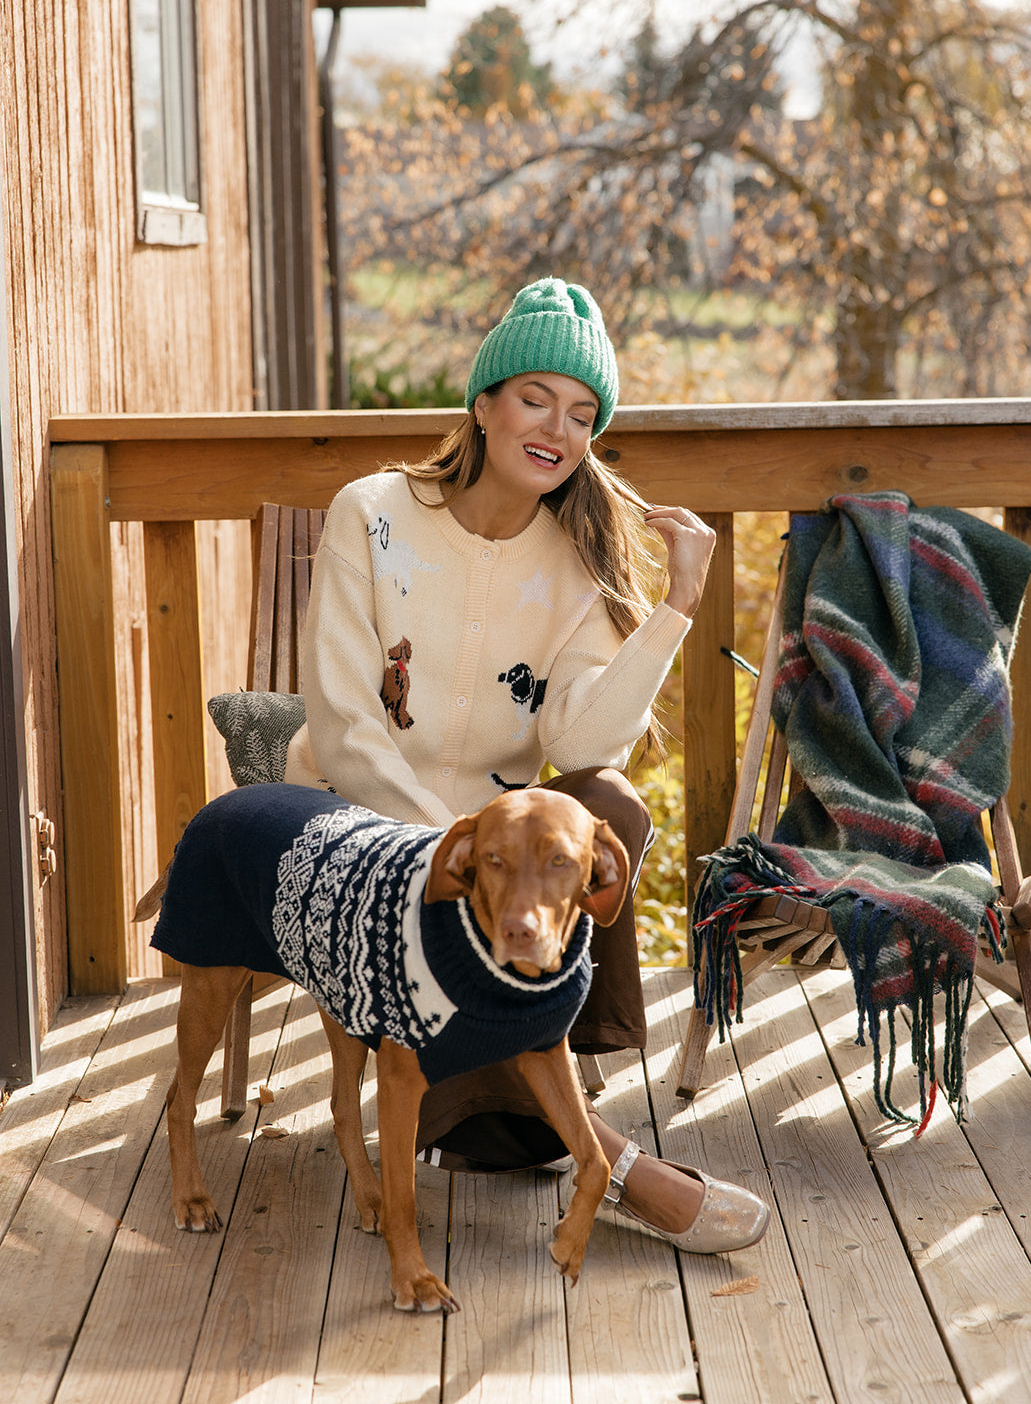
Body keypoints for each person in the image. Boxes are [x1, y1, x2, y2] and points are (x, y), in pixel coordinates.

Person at [286, 278, 769, 1254]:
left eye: (582, 414)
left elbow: (584, 747)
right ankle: (612, 1162)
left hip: (492, 845)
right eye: (535, 398)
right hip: (354, 817)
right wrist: (447, 848)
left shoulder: (572, 559)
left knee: (607, 805)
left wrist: (675, 605)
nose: (557, 427)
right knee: (464, 891)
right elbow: (342, 721)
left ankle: (516, 1103)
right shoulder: (371, 513)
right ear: (484, 403)